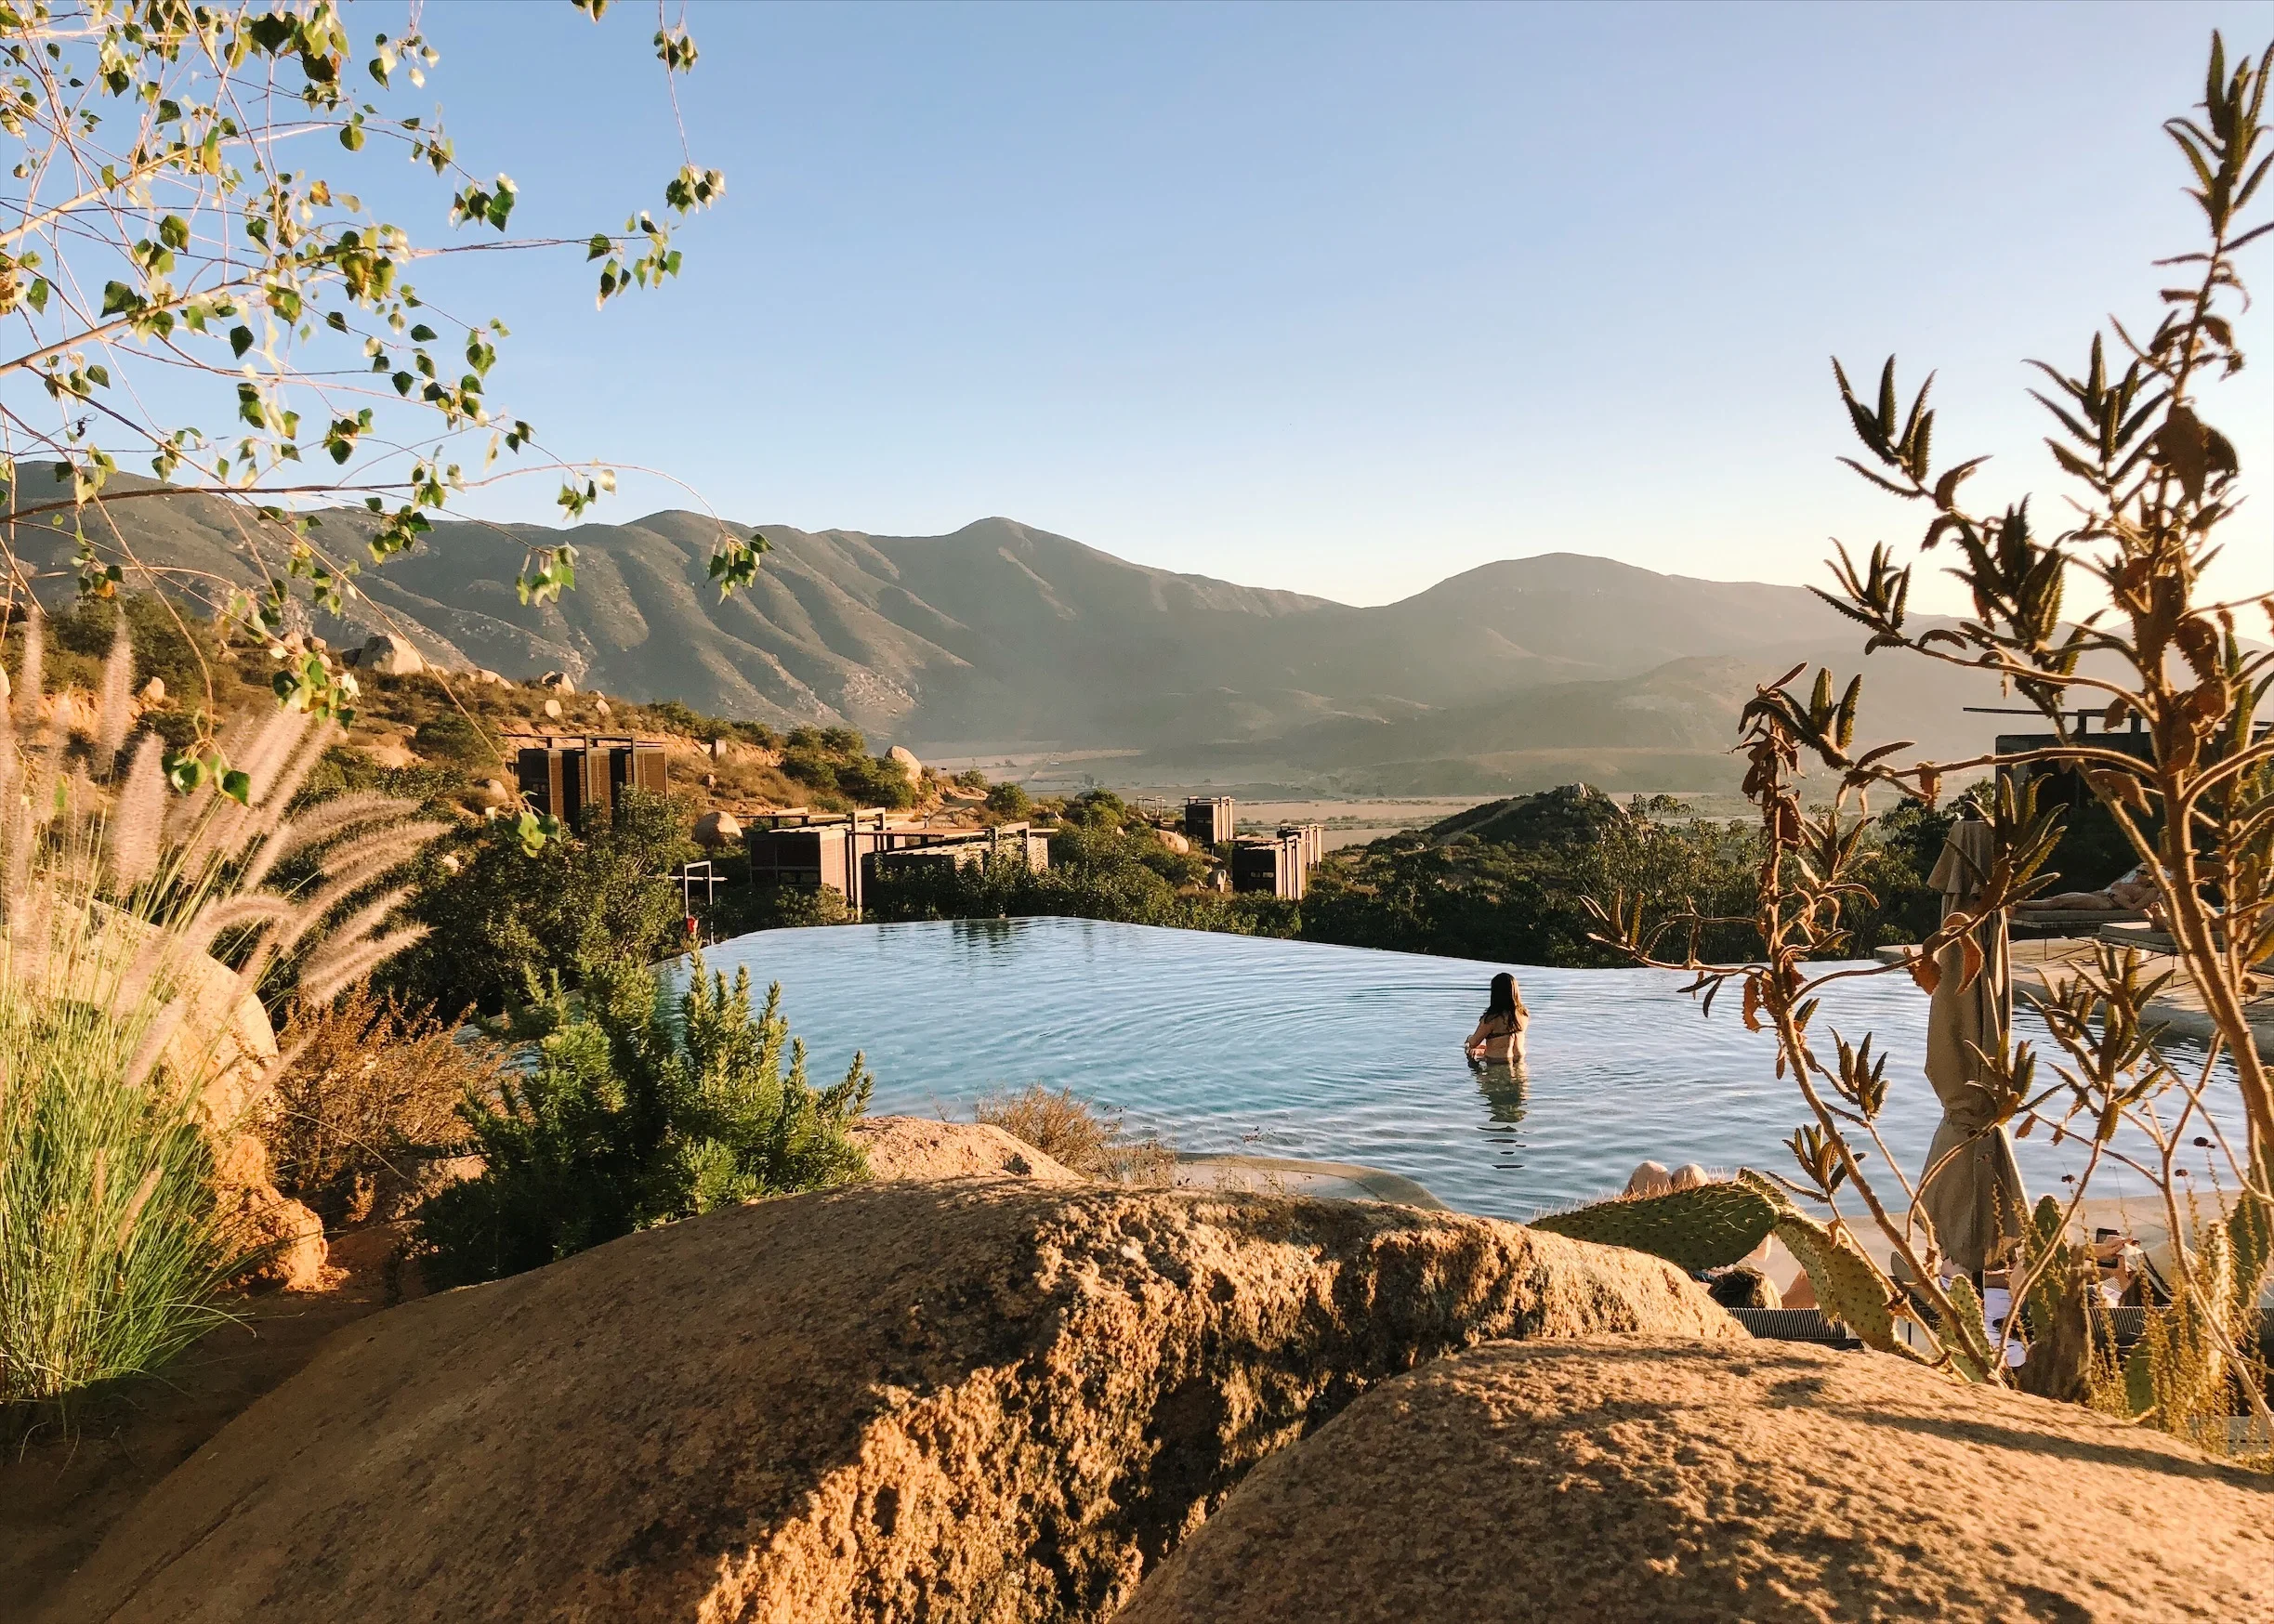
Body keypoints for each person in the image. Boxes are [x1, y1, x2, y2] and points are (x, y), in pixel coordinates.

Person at [1464, 972, 1528, 1065]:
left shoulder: (1491, 1019)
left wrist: (1469, 1039)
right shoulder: (1524, 1015)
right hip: (1520, 1062)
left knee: (1469, 1050)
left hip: (1496, 1063)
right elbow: (1506, 1041)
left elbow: (1473, 1043)